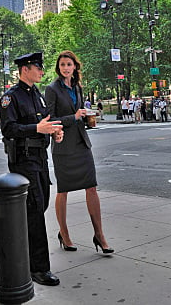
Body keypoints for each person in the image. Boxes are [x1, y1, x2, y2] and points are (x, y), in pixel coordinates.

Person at [0, 52, 63, 286]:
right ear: (25, 69)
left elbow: (47, 121)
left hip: (40, 158)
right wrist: (37, 128)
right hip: (24, 160)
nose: (41, 71)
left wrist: (55, 131)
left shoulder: (37, 95)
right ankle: (39, 268)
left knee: (40, 205)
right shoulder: (11, 97)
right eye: (38, 67)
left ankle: (25, 258)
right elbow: (9, 129)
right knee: (35, 211)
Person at [45, 50, 114, 255]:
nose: (66, 68)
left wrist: (86, 117)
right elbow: (51, 120)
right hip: (63, 146)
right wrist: (74, 117)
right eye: (62, 65)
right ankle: (64, 234)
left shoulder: (77, 87)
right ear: (59, 68)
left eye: (69, 64)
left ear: (75, 67)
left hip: (82, 143)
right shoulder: (52, 89)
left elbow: (79, 114)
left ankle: (100, 235)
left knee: (91, 187)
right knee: (63, 190)